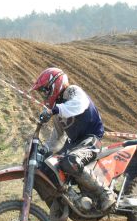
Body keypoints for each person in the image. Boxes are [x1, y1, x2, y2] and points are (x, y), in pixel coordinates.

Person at [31, 67, 116, 212]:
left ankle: (106, 193)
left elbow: (79, 105)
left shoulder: (72, 92)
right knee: (46, 167)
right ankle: (72, 203)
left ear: (55, 84)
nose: (43, 95)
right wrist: (44, 150)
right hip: (75, 145)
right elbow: (57, 137)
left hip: (91, 139)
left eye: (45, 91)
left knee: (71, 161)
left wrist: (54, 110)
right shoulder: (58, 109)